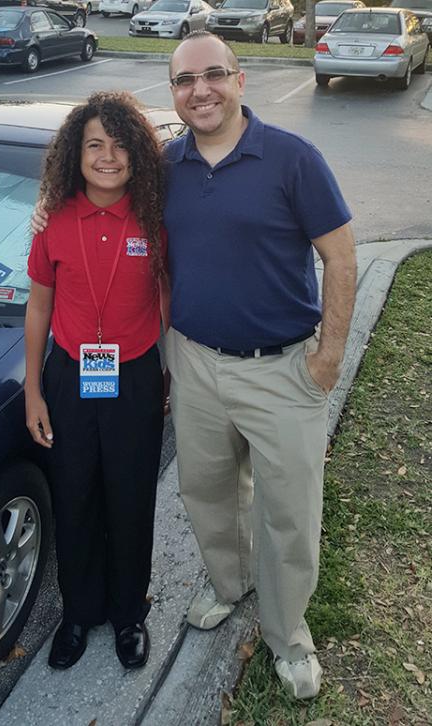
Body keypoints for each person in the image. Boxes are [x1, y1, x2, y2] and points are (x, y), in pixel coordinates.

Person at [164, 31, 357, 699]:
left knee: (289, 512)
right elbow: (102, 207)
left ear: (241, 80)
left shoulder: (292, 158)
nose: (201, 90)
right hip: (194, 363)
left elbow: (341, 256)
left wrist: (328, 356)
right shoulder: (168, 165)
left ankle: (287, 630)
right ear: (175, 94)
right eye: (185, 81)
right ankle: (230, 582)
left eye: (214, 74)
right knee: (209, 493)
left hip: (282, 370)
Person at [24, 91, 168, 671]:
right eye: (93, 145)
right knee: (76, 498)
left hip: (133, 378)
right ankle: (78, 613)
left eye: (119, 144)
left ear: (137, 152)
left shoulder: (157, 218)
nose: (107, 156)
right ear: (74, 155)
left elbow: (170, 300)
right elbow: (38, 308)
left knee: (131, 499)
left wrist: (173, 376)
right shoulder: (53, 219)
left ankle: (129, 612)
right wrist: (34, 390)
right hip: (69, 380)